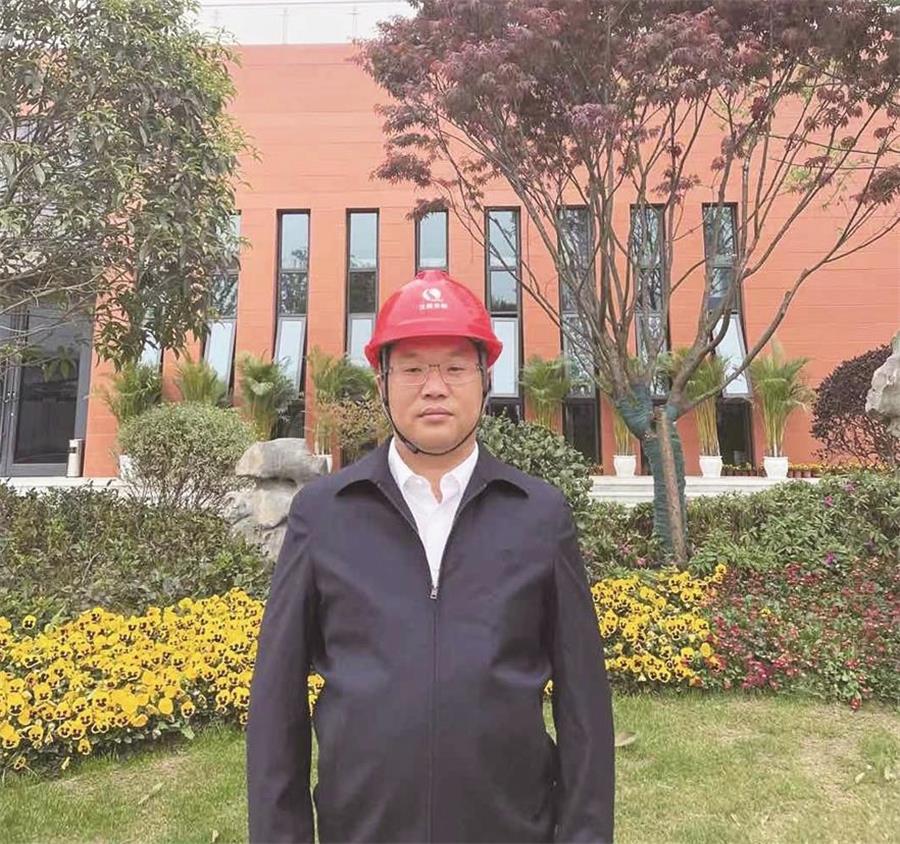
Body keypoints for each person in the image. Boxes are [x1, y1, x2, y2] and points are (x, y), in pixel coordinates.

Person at [246, 269, 615, 843]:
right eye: (413, 369)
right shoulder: (325, 515)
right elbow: (276, 703)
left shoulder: (539, 515)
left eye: (455, 368)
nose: (434, 387)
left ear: (486, 380)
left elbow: (584, 705)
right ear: (382, 382)